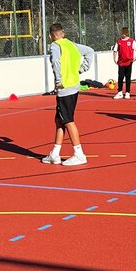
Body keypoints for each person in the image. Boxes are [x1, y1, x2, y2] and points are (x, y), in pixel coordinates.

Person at [42, 23, 96, 166]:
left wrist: (58, 82)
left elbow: (56, 63)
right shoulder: (71, 44)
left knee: (68, 121)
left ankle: (79, 154)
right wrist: (82, 68)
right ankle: (55, 153)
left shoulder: (55, 46)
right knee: (59, 120)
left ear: (50, 35)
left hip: (65, 87)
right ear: (63, 33)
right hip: (74, 85)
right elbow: (90, 51)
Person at [112, 27, 136, 100]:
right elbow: (115, 50)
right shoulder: (119, 41)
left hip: (129, 62)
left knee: (128, 77)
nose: (123, 34)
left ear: (127, 33)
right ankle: (120, 92)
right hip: (121, 62)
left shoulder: (131, 41)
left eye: (125, 32)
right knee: (120, 77)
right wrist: (114, 58)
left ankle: (127, 92)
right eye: (122, 32)